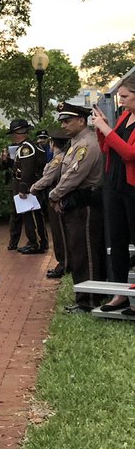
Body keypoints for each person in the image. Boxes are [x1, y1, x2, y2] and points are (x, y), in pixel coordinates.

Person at [46, 101, 105, 313]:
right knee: (80, 251)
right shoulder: (77, 142)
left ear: (81, 121)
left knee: (84, 253)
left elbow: (73, 175)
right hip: (77, 204)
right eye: (62, 121)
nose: (63, 125)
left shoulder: (86, 144)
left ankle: (88, 300)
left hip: (85, 204)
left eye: (67, 120)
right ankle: (88, 296)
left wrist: (54, 194)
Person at [92, 73, 135, 313]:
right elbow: (108, 148)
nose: (122, 102)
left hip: (132, 188)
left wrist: (107, 129)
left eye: (126, 97)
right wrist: (103, 129)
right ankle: (120, 294)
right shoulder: (125, 117)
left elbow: (130, 154)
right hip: (115, 185)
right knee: (117, 241)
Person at [0, 119, 47, 253]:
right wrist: (7, 161)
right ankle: (36, 241)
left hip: (28, 187)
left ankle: (36, 243)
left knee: (31, 215)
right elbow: (19, 166)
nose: (13, 136)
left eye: (14, 133)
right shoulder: (28, 146)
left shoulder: (26, 147)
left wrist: (23, 187)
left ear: (19, 132)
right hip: (30, 186)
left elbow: (27, 169)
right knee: (30, 215)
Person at [32, 132, 70, 279]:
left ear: (53, 144)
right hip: (58, 197)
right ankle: (64, 263)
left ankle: (63, 264)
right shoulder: (62, 157)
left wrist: (33, 188)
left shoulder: (58, 160)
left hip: (56, 198)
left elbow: (48, 178)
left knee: (59, 233)